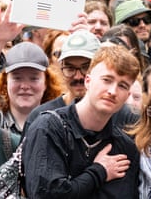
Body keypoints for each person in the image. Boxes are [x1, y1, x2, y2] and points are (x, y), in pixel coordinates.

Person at [22, 45, 142, 198]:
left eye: (122, 86)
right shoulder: (48, 128)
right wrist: (99, 171)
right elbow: (46, 195)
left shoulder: (125, 147)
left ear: (127, 96)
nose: (112, 91)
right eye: (107, 80)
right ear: (88, 81)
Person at [0, 42, 61, 136]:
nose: (25, 86)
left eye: (33, 79)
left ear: (46, 82)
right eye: (17, 78)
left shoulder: (60, 123)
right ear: (6, 81)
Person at [32, 30, 100, 116]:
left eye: (85, 68)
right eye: (70, 68)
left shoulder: (116, 114)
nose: (78, 77)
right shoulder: (41, 116)